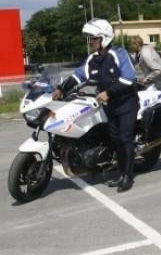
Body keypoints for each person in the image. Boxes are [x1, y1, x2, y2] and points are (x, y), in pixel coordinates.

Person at [52, 18, 138, 192]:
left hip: (126, 103)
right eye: (90, 38)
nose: (90, 42)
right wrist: (61, 89)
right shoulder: (92, 59)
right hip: (109, 106)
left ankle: (127, 178)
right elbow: (78, 76)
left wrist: (109, 92)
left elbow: (129, 78)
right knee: (115, 141)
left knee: (125, 139)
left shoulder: (119, 54)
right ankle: (121, 173)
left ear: (104, 38)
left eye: (93, 38)